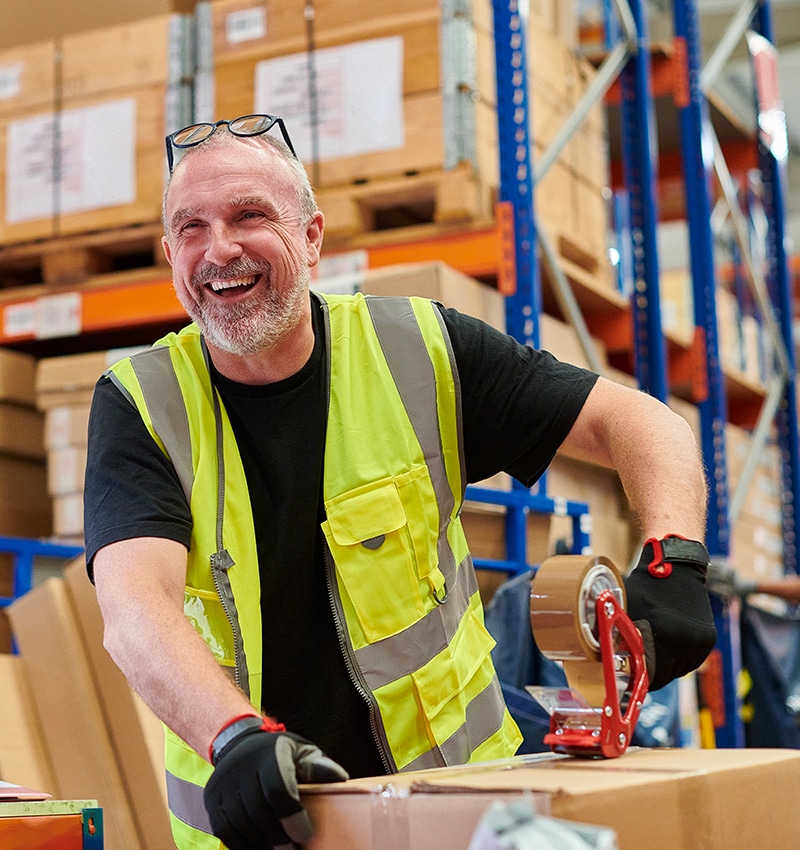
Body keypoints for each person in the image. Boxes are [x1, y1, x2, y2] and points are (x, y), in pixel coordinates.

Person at [84, 114, 717, 850]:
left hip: (460, 812)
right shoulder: (143, 404)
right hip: (264, 820)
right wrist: (233, 736)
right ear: (170, 256)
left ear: (312, 237)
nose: (219, 248)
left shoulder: (419, 350)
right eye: (191, 228)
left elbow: (638, 423)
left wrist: (676, 558)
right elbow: (134, 606)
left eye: (249, 215)